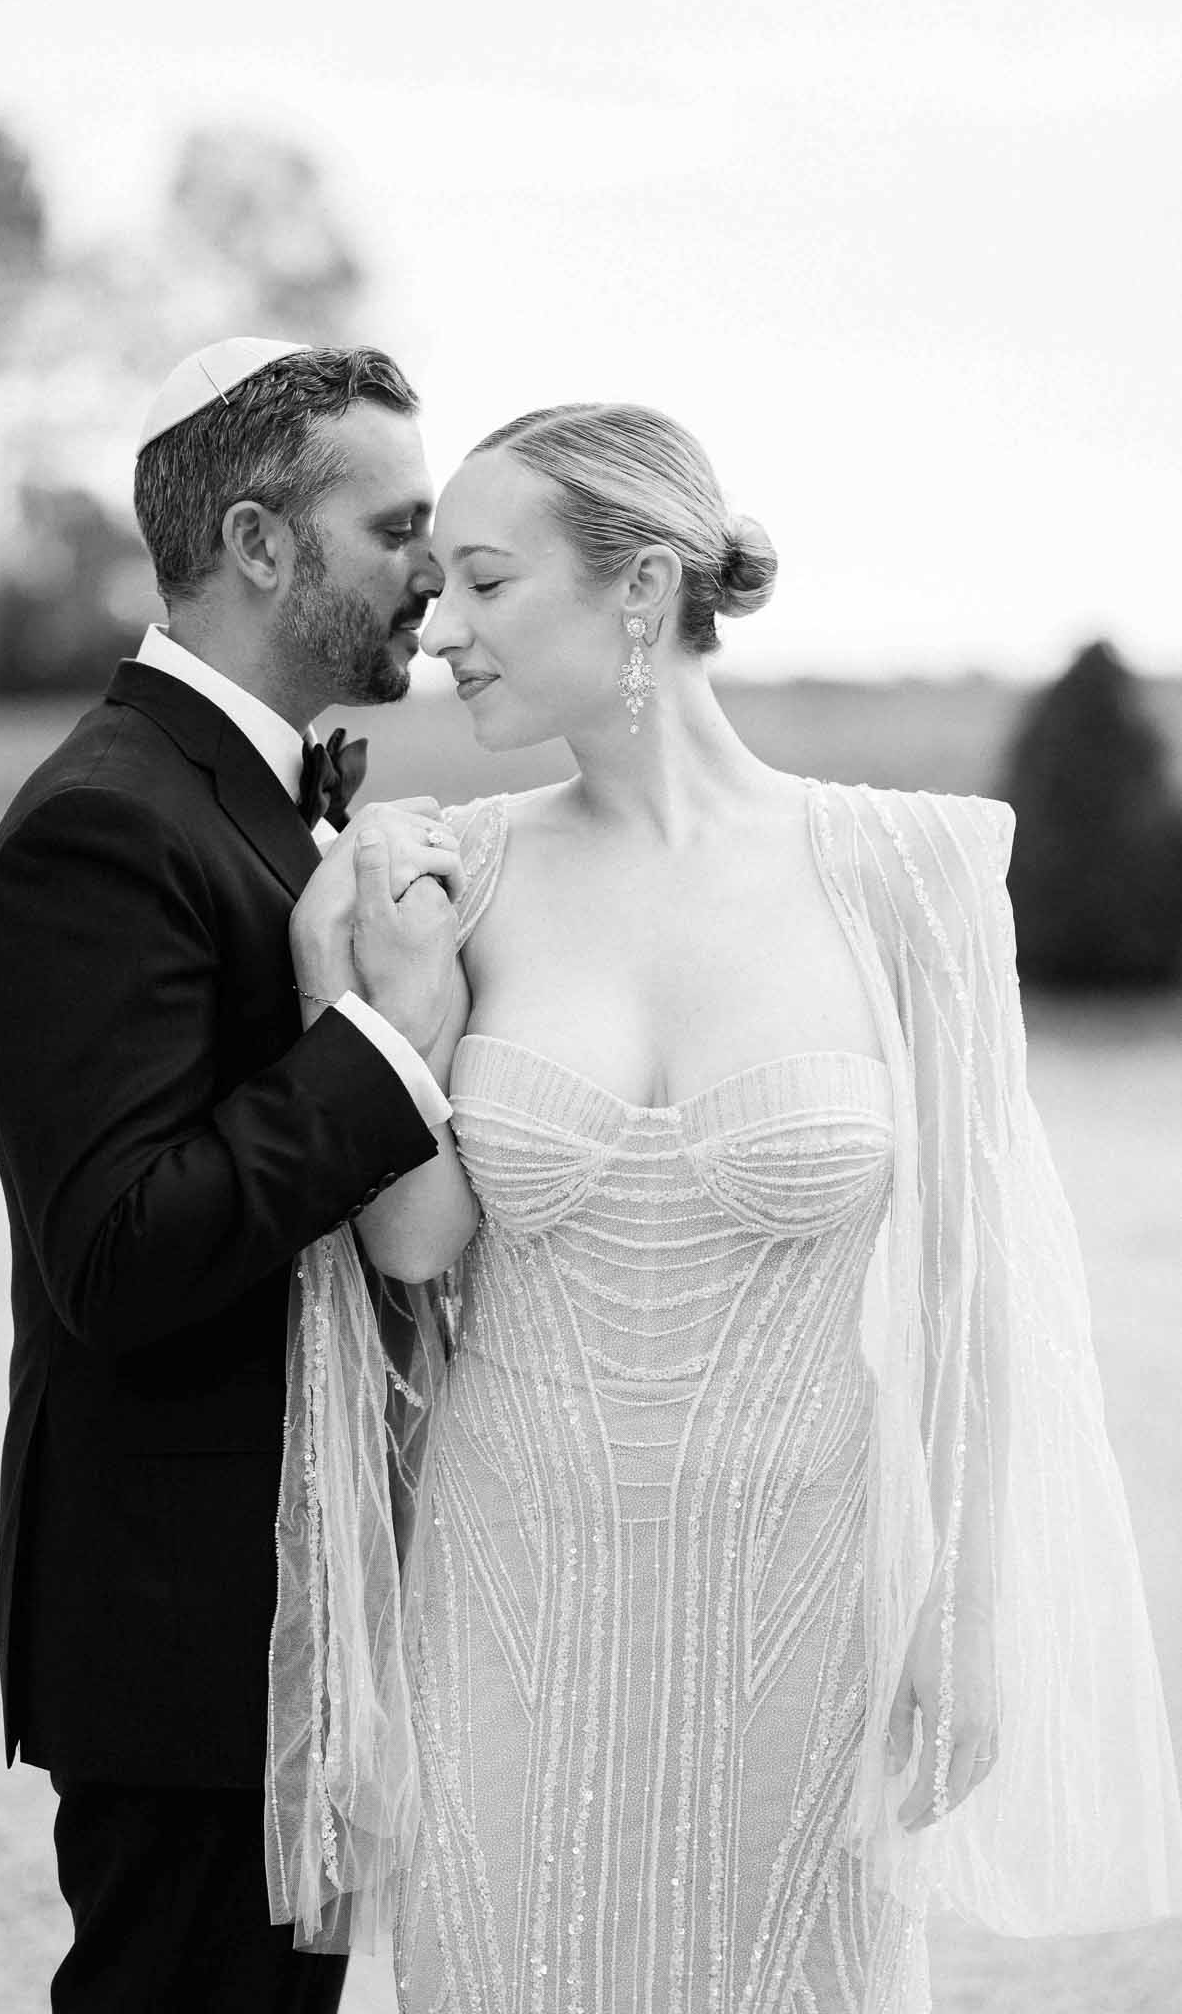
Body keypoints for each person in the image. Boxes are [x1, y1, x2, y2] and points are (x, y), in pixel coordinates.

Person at [269, 402, 1182, 2009]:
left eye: (485, 582)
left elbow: (976, 1278)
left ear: (640, 588)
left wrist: (961, 1610)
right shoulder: (456, 874)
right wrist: (389, 990)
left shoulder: (908, 871)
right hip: (508, 1588)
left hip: (807, 1591)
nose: (442, 631)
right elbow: (416, 1247)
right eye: (439, 587)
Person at [0, 337, 467, 2013]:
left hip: (281, 1615)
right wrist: (387, 1051)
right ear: (258, 544)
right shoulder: (101, 827)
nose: (434, 571)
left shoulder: (258, 789)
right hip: (191, 1636)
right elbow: (119, 1250)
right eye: (395, 528)